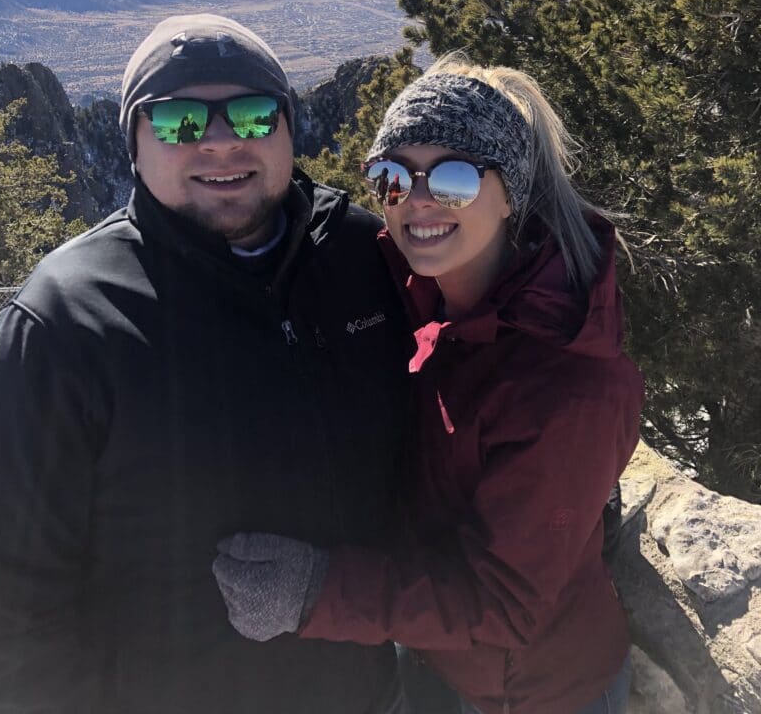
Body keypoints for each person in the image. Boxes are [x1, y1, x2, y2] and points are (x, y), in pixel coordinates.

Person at [0, 13, 412, 714]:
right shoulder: (66, 322)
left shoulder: (364, 258)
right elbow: (15, 599)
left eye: (252, 115)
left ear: (287, 129)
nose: (220, 142)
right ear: (132, 140)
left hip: (370, 693)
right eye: (180, 121)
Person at [213, 58, 644, 714]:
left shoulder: (565, 384)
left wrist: (318, 593)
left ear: (511, 195)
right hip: (444, 663)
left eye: (452, 179)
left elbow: (504, 604)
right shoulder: (431, 291)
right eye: (392, 177)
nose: (417, 202)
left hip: (537, 694)